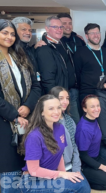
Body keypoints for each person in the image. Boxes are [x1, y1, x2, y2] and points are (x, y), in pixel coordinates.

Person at [0, 19, 40, 193]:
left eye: (12, 34)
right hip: (5, 123)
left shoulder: (21, 56)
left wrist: (28, 106)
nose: (9, 37)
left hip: (27, 119)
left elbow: (37, 84)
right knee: (9, 169)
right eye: (4, 33)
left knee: (26, 163)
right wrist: (14, 115)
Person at [19, 95, 90, 192]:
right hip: (33, 181)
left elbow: (59, 155)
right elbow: (34, 170)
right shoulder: (34, 136)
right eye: (51, 108)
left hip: (50, 176)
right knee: (80, 185)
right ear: (42, 112)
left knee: (81, 182)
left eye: (58, 107)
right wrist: (61, 175)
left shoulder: (60, 128)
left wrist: (64, 175)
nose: (56, 112)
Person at [35, 16, 80, 123]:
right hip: (59, 96)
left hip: (69, 92)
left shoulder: (62, 43)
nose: (59, 29)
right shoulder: (44, 48)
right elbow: (47, 78)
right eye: (55, 27)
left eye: (61, 27)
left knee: (72, 125)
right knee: (64, 125)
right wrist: (55, 99)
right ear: (47, 28)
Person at [76, 95, 106, 190]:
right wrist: (102, 167)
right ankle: (84, 181)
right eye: (92, 107)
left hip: (96, 158)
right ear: (85, 109)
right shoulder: (84, 129)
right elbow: (83, 156)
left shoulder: (94, 119)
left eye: (98, 105)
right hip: (86, 163)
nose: (97, 109)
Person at [74, 23, 106, 105]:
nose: (96, 35)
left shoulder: (105, 51)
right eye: (92, 33)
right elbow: (77, 73)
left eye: (97, 32)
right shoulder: (80, 52)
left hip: (105, 92)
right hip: (88, 93)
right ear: (87, 36)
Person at [49, 86, 81, 172]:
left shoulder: (69, 120)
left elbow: (75, 148)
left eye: (67, 98)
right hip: (54, 171)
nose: (65, 102)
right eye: (61, 98)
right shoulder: (48, 123)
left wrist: (77, 170)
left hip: (71, 166)